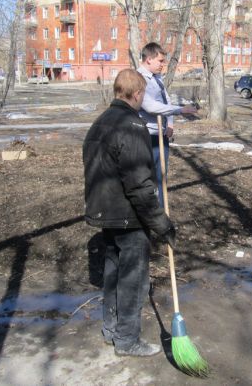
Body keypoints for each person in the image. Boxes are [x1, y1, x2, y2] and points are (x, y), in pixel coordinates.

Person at [83, 68, 176, 357]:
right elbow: (139, 185)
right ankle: (127, 340)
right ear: (137, 94)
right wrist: (161, 223)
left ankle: (110, 329)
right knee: (133, 280)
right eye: (143, 94)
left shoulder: (99, 124)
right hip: (129, 216)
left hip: (105, 214)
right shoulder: (131, 126)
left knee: (112, 274)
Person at [138, 42, 197, 204]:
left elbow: (166, 100)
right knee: (146, 178)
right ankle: (148, 213)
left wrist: (170, 123)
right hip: (146, 137)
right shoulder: (138, 78)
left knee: (161, 175)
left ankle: (161, 213)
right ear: (149, 59)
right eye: (160, 61)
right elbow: (150, 106)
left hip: (161, 134)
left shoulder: (157, 78)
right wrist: (180, 110)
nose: (163, 65)